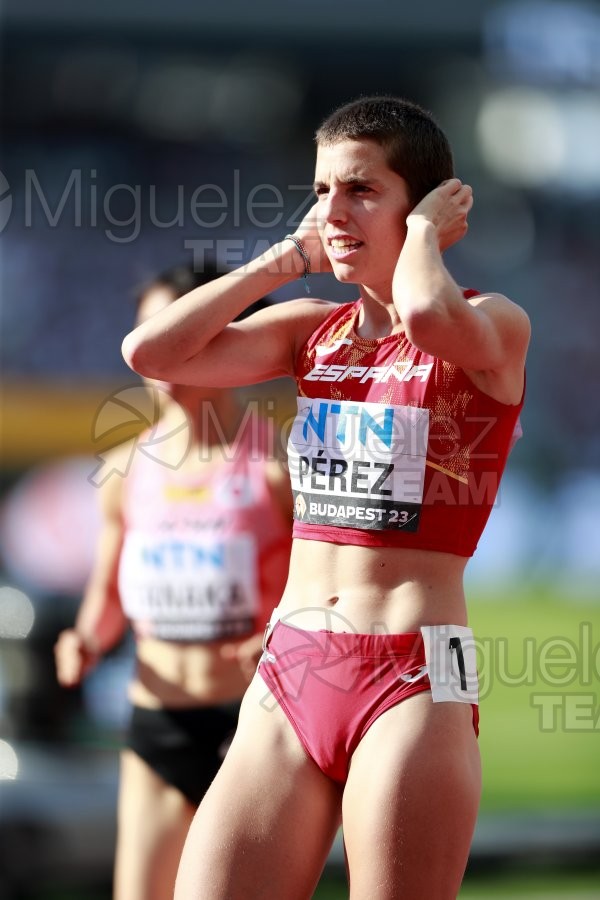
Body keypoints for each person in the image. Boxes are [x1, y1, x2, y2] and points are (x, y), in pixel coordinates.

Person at [122, 96, 530, 900]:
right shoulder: (312, 330)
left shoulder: (492, 323)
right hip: (295, 670)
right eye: (320, 192)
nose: (332, 212)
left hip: (412, 678)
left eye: (360, 191)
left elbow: (420, 310)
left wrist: (419, 240)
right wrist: (283, 261)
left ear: (424, 204)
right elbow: (152, 352)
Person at [54, 262, 292, 900]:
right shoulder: (125, 469)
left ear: (222, 339)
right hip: (158, 723)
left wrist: (281, 633)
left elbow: (326, 594)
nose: (152, 358)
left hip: (252, 727)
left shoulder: (281, 467)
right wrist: (85, 640)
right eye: (145, 335)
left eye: (173, 332)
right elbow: (106, 599)